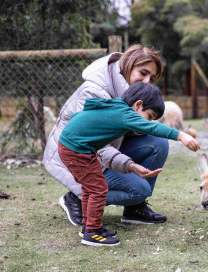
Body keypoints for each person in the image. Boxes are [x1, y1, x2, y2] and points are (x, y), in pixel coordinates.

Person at [43, 44, 172, 226]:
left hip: (104, 154)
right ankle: (77, 199)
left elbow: (127, 129)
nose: (146, 81)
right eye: (143, 73)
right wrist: (129, 164)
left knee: (158, 142)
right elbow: (94, 145)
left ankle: (135, 209)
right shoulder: (94, 91)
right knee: (140, 189)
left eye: (151, 78)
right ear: (128, 64)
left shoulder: (131, 93)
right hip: (78, 158)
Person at [58, 82, 200, 246]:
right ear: (138, 105)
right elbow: (151, 128)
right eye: (150, 116)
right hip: (76, 150)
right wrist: (181, 136)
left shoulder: (114, 108)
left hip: (75, 147)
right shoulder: (124, 114)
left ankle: (89, 226)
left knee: (91, 188)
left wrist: (131, 165)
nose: (148, 123)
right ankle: (92, 232)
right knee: (98, 189)